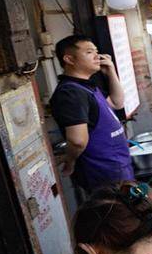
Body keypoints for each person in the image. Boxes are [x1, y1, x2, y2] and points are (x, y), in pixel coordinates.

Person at [51, 35, 133, 194]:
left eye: (96, 51)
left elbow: (117, 103)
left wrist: (111, 71)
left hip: (118, 169)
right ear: (69, 59)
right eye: (89, 52)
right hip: (103, 176)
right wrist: (70, 162)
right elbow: (77, 141)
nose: (97, 56)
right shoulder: (70, 92)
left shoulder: (87, 87)